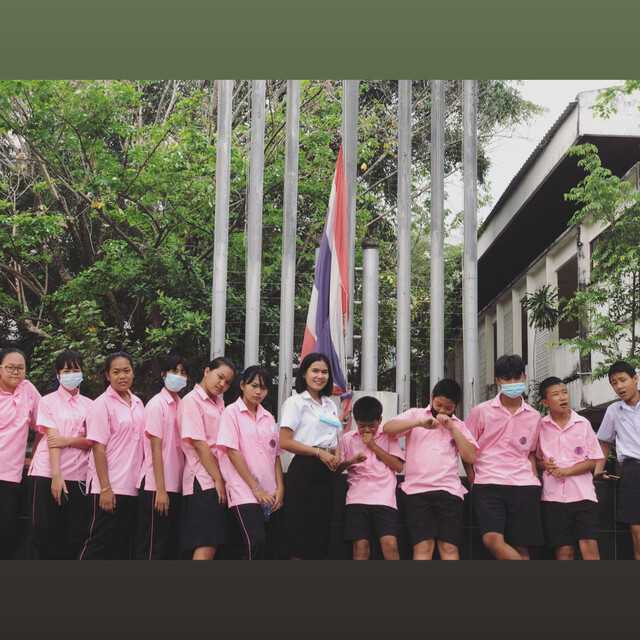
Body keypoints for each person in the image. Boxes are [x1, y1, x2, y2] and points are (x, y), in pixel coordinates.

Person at [383, 378, 478, 560]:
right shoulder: (416, 414)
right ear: (432, 397)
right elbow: (388, 428)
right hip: (416, 491)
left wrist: (452, 428)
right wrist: (419, 423)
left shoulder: (458, 425)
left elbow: (471, 457)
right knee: (423, 547)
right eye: (438, 405)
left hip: (449, 492)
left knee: (449, 548)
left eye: (448, 408)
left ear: (455, 407)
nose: (442, 411)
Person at [465, 354, 544, 560]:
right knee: (491, 540)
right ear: (498, 380)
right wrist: (473, 479)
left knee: (523, 548)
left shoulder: (534, 416)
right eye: (507, 378)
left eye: (517, 377)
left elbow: (531, 452)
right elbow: (465, 449)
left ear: (524, 377)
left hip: (525, 485)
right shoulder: (480, 411)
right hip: (488, 483)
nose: (513, 382)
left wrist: (535, 478)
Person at [79, 352, 145, 560]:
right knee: (97, 543)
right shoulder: (101, 404)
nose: (122, 376)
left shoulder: (138, 403)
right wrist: (105, 488)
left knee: (120, 546)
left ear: (133, 373)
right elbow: (98, 447)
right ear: (108, 376)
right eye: (116, 372)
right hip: (107, 487)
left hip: (131, 488)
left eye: (126, 371)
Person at [27, 350, 92, 559]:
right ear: (58, 374)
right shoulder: (47, 401)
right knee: (43, 532)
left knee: (75, 534)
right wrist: (56, 476)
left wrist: (69, 441)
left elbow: (91, 441)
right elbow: (53, 440)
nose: (71, 374)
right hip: (47, 473)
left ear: (82, 372)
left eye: (75, 369)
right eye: (66, 370)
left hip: (78, 476)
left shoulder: (90, 405)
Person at [217, 366, 284, 560]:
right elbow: (232, 452)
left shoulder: (268, 417)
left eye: (263, 388)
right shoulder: (231, 412)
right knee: (256, 542)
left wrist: (280, 488)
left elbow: (275, 455)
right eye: (253, 386)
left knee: (268, 548)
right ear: (242, 385)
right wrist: (256, 490)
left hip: (269, 494)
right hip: (243, 491)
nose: (258, 392)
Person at [279, 353, 341, 560]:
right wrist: (318, 453)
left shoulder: (330, 404)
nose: (320, 376)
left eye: (324, 372)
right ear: (304, 373)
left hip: (326, 472)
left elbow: (334, 437)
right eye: (315, 370)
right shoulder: (296, 402)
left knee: (319, 534)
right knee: (299, 535)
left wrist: (336, 454)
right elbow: (284, 441)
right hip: (304, 471)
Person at [535, 376, 602, 560]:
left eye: (564, 392)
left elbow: (593, 461)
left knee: (589, 547)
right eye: (556, 394)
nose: (563, 397)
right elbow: (535, 460)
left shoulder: (583, 423)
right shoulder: (540, 426)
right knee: (564, 551)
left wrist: (566, 471)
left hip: (583, 495)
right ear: (545, 402)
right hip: (553, 497)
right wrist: (544, 464)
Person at [177, 356, 235, 560]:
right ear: (207, 371)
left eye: (228, 382)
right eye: (220, 377)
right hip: (202, 479)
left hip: (218, 478)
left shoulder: (219, 403)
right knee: (206, 542)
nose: (222, 384)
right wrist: (218, 478)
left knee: (214, 542)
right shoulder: (191, 401)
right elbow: (199, 444)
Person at [134, 354, 189, 560]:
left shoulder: (182, 404)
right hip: (156, 486)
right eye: (174, 371)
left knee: (167, 544)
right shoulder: (157, 404)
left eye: (183, 372)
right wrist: (160, 489)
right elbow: (155, 449)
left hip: (176, 485)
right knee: (152, 545)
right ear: (164, 374)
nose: (179, 376)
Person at [338, 395, 404, 560]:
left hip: (385, 499)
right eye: (362, 426)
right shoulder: (347, 439)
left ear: (380, 420)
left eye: (372, 426)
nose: (366, 430)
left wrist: (373, 446)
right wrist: (352, 461)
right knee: (360, 549)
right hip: (356, 499)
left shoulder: (388, 437)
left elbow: (398, 466)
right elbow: (336, 470)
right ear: (355, 421)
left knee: (390, 546)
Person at [594, 360, 640, 560]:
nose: (619, 386)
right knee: (638, 538)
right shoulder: (613, 410)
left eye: (622, 380)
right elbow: (604, 441)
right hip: (632, 472)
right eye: (614, 383)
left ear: (635, 379)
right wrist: (598, 470)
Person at [0, 347, 41, 559]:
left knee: (6, 532)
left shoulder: (28, 389)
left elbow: (43, 425)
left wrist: (34, 457)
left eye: (20, 368)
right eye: (10, 367)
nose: (15, 372)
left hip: (10, 475)